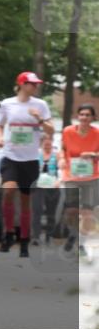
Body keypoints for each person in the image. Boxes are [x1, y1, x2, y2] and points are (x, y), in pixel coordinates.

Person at [0, 71, 55, 258]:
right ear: (22, 84)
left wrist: (39, 119)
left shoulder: (41, 105)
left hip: (29, 160)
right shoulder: (7, 103)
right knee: (8, 192)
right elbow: (0, 125)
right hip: (10, 157)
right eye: (32, 83)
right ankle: (8, 233)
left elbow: (51, 130)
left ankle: (24, 240)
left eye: (37, 84)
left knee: (25, 201)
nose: (35, 87)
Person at [60, 103, 99, 255]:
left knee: (88, 213)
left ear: (93, 117)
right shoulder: (68, 131)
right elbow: (63, 149)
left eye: (87, 115)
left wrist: (93, 155)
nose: (84, 117)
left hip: (91, 177)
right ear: (77, 116)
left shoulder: (97, 133)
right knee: (71, 211)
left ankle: (81, 242)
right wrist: (62, 159)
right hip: (72, 175)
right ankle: (72, 234)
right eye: (81, 114)